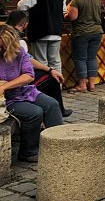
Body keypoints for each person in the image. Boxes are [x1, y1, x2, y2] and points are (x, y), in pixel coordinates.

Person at [0, 24, 64, 162]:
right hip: (6, 100)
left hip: (23, 91)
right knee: (34, 113)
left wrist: (5, 85)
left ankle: (60, 144)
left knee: (52, 104)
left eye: (2, 46)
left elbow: (29, 75)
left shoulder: (19, 52)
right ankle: (28, 152)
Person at [7, 10, 71, 117]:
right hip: (15, 81)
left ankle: (54, 109)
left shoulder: (5, 32)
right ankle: (57, 111)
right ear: (25, 24)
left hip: (10, 79)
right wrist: (50, 70)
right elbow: (28, 61)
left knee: (46, 75)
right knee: (52, 79)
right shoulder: (17, 39)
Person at [17, 0, 66, 72]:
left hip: (39, 31)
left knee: (41, 61)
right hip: (56, 31)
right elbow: (63, 11)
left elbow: (21, 6)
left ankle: (43, 86)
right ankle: (57, 86)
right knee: (55, 61)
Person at [64, 0, 104, 91]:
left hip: (82, 32)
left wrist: (66, 15)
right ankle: (92, 84)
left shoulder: (77, 0)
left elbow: (73, 17)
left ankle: (82, 85)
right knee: (91, 57)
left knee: (80, 58)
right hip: (97, 31)